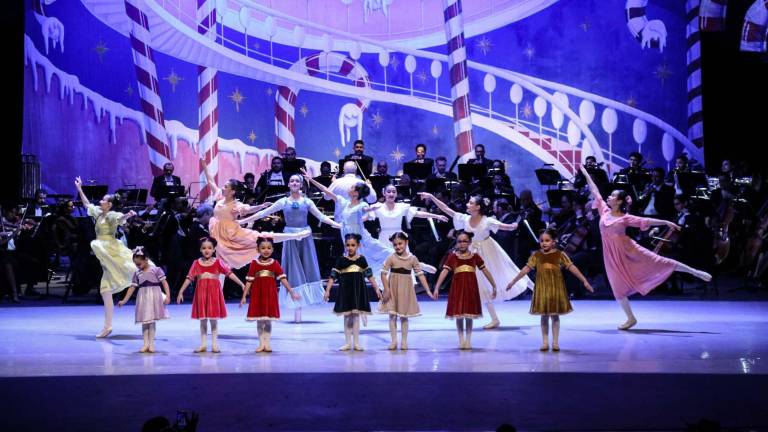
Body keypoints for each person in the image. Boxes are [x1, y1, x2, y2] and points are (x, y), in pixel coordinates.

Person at [579, 165, 712, 330]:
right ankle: (631, 318)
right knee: (616, 287)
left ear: (619, 201)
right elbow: (594, 190)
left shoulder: (626, 218)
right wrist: (585, 174)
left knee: (658, 260)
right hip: (611, 254)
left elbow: (647, 221)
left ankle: (695, 272)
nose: (609, 196)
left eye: (613, 196)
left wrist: (665, 221)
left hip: (628, 249)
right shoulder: (604, 211)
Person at [419, 192, 533, 329]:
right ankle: (495, 319)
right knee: (481, 285)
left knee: (506, 271)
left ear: (478, 207)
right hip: (472, 254)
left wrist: (514, 225)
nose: (467, 204)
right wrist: (432, 197)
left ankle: (535, 288)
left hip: (490, 251)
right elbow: (447, 209)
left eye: (471, 202)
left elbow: (506, 227)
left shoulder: (488, 220)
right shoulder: (465, 219)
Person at [237, 174, 342, 322]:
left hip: (304, 236)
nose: (294, 183)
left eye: (297, 181)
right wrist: (244, 220)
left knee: (306, 267)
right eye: (291, 180)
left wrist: (337, 225)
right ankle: (295, 302)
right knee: (293, 270)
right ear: (288, 184)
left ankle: (303, 303)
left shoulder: (307, 201)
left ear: (301, 185)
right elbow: (262, 213)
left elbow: (321, 217)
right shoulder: (283, 201)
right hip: (290, 237)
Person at [201, 159, 310, 270]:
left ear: (232, 191)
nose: (222, 188)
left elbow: (248, 209)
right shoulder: (220, 196)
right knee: (221, 264)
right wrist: (205, 166)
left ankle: (296, 236)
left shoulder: (235, 205)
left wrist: (260, 206)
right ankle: (218, 287)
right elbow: (211, 181)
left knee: (263, 237)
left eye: (225, 187)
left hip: (232, 234)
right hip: (218, 234)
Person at [505, 229, 593, 351]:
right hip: (542, 289)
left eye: (547, 240)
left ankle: (555, 342)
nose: (544, 243)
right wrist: (513, 281)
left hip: (555, 289)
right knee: (544, 316)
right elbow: (526, 269)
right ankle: (545, 342)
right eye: (541, 241)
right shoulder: (536, 255)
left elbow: (572, 267)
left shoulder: (560, 255)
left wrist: (584, 280)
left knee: (555, 316)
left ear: (554, 241)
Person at [74, 176, 138, 338]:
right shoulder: (99, 214)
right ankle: (107, 326)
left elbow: (119, 218)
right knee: (105, 289)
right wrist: (80, 189)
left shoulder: (111, 215)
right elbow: (87, 204)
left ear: (109, 204)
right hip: (105, 254)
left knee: (133, 273)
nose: (100, 201)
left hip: (112, 251)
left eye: (103, 200)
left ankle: (162, 297)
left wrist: (127, 216)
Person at [177, 237, 245, 353]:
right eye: (204, 248)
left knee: (213, 320)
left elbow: (229, 273)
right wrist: (181, 291)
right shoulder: (196, 263)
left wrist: (241, 284)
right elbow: (189, 277)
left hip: (214, 293)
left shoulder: (218, 262)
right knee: (203, 320)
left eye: (209, 248)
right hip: (201, 293)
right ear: (200, 249)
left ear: (214, 249)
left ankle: (214, 345)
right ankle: (203, 344)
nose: (206, 250)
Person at [432, 231, 496, 350]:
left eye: (465, 241)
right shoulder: (453, 257)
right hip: (457, 289)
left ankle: (468, 340)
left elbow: (485, 271)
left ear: (470, 242)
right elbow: (444, 272)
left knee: (469, 315)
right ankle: (461, 340)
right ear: (457, 243)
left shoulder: (475, 256)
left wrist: (494, 285)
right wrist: (436, 287)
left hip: (471, 289)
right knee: (459, 315)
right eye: (459, 241)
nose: (462, 244)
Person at [324, 233, 382, 351]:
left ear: (358, 245)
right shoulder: (341, 260)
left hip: (358, 291)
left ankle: (356, 342)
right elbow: (333, 276)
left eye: (353, 245)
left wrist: (376, 288)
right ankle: (347, 342)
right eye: (348, 245)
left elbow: (369, 276)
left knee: (356, 316)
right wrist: (328, 290)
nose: (350, 248)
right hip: (345, 292)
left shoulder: (361, 259)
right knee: (347, 317)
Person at [240, 238, 298, 352]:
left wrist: (291, 291)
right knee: (259, 320)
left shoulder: (275, 263)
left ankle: (267, 343)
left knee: (268, 319)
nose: (266, 250)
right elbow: (249, 281)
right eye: (263, 248)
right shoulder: (254, 263)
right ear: (258, 249)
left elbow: (283, 279)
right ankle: (261, 343)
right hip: (258, 294)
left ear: (272, 249)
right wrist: (243, 296)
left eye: (268, 248)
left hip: (270, 294)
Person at [379, 232, 434, 350]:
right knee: (392, 315)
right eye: (395, 245)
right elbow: (383, 274)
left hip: (405, 290)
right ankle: (394, 341)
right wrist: (387, 289)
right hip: (392, 289)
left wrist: (428, 290)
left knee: (404, 316)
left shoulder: (412, 259)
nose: (398, 246)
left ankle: (404, 341)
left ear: (406, 242)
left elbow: (420, 275)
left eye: (400, 243)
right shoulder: (391, 257)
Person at [117, 247, 171, 353]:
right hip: (143, 298)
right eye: (136, 264)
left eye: (139, 263)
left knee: (151, 322)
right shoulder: (137, 273)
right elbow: (132, 288)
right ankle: (145, 344)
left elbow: (164, 283)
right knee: (144, 321)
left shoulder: (156, 270)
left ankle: (151, 344)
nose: (137, 266)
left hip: (154, 297)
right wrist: (124, 300)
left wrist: (168, 296)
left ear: (146, 259)